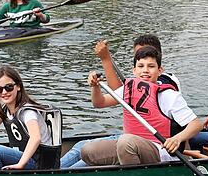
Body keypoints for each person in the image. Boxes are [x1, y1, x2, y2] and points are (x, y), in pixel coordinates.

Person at [60, 35, 181, 168]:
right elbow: (111, 97)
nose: (144, 68)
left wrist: (106, 60)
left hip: (150, 143)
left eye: (149, 62)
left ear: (157, 61)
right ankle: (52, 171)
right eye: (138, 61)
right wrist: (95, 86)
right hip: (133, 136)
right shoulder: (137, 82)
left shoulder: (164, 81)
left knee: (81, 147)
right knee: (84, 149)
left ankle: (51, 175)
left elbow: (120, 93)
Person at [80, 46, 202, 166]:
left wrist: (177, 139)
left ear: (160, 70)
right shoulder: (128, 89)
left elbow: (196, 124)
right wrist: (95, 87)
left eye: (151, 66)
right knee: (88, 151)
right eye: (141, 66)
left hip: (160, 150)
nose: (145, 70)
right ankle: (125, 164)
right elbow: (99, 103)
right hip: (130, 146)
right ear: (134, 70)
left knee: (125, 142)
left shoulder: (168, 95)